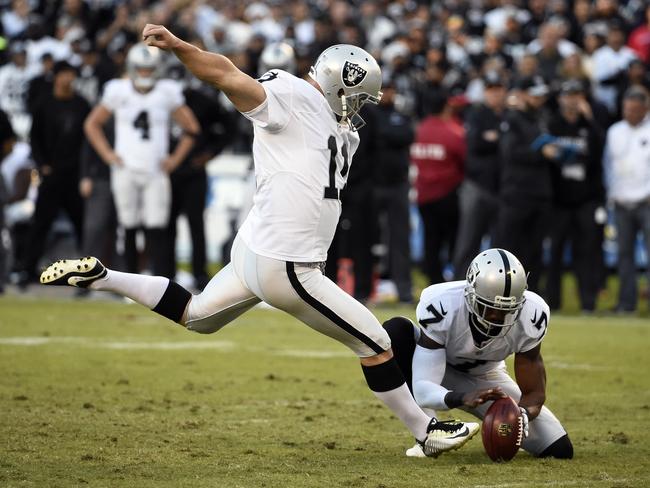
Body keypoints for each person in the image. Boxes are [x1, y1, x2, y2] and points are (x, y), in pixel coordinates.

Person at [40, 25, 479, 458]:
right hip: (288, 264)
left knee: (197, 316)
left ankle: (104, 276)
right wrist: (177, 46)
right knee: (375, 343)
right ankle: (426, 431)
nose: (359, 108)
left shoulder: (339, 125)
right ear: (336, 85)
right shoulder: (289, 95)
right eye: (358, 97)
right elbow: (225, 74)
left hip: (255, 250)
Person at [383, 248, 574, 459]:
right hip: (440, 369)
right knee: (397, 332)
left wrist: (521, 416)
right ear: (471, 294)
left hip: (489, 379)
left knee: (559, 449)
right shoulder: (442, 304)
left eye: (507, 310)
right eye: (489, 307)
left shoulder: (533, 314)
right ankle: (427, 434)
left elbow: (535, 394)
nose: (497, 317)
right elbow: (423, 389)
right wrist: (463, 398)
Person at [84, 42, 200, 276]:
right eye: (141, 68)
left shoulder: (167, 91)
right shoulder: (118, 90)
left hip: (155, 170)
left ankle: (160, 280)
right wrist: (108, 154)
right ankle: (131, 282)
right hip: (125, 167)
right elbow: (92, 124)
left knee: (157, 226)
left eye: (149, 68)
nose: (145, 73)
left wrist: (174, 160)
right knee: (127, 226)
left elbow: (191, 129)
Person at [17, 61, 90, 286]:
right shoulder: (43, 105)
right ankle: (26, 270)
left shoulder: (82, 105)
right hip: (51, 174)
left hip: (75, 175)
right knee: (41, 223)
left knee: (82, 224)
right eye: (64, 74)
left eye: (71, 74)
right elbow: (34, 139)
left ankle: (87, 272)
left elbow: (88, 140)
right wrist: (42, 165)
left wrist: (84, 170)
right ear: (56, 77)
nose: (68, 79)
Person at [544, 80, 605, 312]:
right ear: (561, 98)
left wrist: (590, 119)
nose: (572, 99)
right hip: (559, 200)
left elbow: (601, 150)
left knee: (586, 252)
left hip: (585, 199)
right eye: (568, 95)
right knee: (556, 253)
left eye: (577, 95)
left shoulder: (589, 126)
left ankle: (588, 304)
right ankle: (553, 304)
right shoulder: (552, 124)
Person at [453, 71, 506, 279]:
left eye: (498, 90)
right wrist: (494, 139)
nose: (495, 94)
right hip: (476, 186)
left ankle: (495, 289)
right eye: (491, 90)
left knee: (500, 246)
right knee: (468, 241)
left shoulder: (508, 116)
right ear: (485, 92)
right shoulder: (476, 113)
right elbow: (475, 143)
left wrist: (495, 138)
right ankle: (458, 284)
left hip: (501, 188)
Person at [603, 87, 650, 313]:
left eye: (635, 110)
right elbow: (608, 166)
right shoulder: (614, 131)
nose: (630, 114)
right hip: (621, 203)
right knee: (624, 256)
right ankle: (626, 304)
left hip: (647, 202)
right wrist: (611, 195)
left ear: (645, 108)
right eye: (627, 109)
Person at [411, 90, 465, 285]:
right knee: (452, 239)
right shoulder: (453, 132)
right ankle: (452, 280)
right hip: (448, 193)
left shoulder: (418, 129)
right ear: (446, 106)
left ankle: (433, 281)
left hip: (423, 194)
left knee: (430, 240)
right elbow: (464, 160)